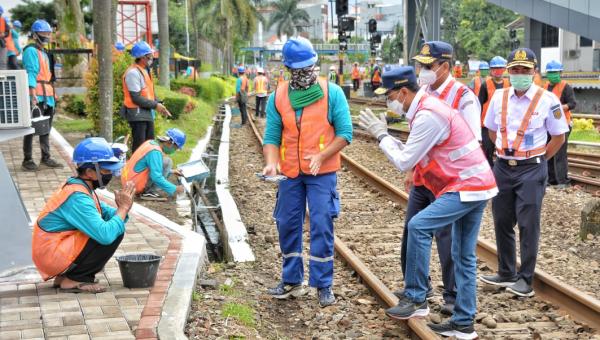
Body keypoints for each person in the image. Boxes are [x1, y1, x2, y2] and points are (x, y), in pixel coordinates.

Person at [359, 65, 497, 339]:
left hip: (466, 185)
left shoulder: (428, 115)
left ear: (403, 92)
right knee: (463, 255)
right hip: (474, 184)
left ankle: (416, 297)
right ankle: (464, 322)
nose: (388, 101)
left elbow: (404, 161)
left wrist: (382, 135)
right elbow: (413, 153)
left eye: (389, 95)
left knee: (419, 226)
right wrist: (386, 136)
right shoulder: (425, 109)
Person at [262, 37, 352, 307]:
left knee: (322, 224)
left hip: (322, 173)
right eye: (298, 70)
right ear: (289, 70)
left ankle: (323, 284)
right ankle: (292, 281)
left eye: (308, 67)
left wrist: (322, 155)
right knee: (287, 223)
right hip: (290, 173)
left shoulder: (332, 93)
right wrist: (270, 162)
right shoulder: (277, 97)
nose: (304, 74)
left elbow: (346, 134)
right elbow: (272, 136)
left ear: (315, 64)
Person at [398, 40, 482, 315]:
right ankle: (416, 288)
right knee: (412, 229)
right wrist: (412, 168)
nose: (421, 70)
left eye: (427, 65)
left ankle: (453, 294)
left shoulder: (463, 97)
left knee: (448, 238)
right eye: (420, 65)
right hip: (425, 177)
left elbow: (469, 142)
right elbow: (417, 135)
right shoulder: (423, 93)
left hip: (450, 181)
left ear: (445, 66)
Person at [480, 48, 568, 297]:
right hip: (503, 167)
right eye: (515, 70)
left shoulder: (548, 100)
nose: (519, 74)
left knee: (529, 225)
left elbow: (559, 137)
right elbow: (491, 130)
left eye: (525, 70)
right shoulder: (499, 97)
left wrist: (539, 160)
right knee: (501, 220)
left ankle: (525, 279)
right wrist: (506, 153)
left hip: (532, 168)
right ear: (508, 72)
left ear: (534, 72)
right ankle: (506, 271)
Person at [32, 137, 134, 293]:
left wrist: (122, 208)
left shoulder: (82, 188)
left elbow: (111, 215)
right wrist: (123, 209)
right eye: (106, 170)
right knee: (112, 232)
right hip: (50, 257)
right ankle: (75, 279)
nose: (111, 174)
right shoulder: (77, 197)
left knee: (112, 225)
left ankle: (65, 276)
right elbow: (106, 235)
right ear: (90, 172)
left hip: (51, 253)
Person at [21, 19, 63, 171]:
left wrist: (53, 95)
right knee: (31, 129)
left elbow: (48, 76)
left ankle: (46, 157)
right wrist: (32, 95)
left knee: (45, 128)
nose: (47, 36)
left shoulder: (43, 52)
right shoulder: (30, 51)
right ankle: (27, 159)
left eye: (48, 33)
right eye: (43, 33)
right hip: (37, 95)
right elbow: (30, 74)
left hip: (48, 95)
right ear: (35, 34)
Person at [122, 41, 172, 153]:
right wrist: (155, 105)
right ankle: (135, 169)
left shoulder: (144, 71)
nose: (152, 57)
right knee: (140, 147)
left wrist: (160, 104)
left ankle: (145, 169)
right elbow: (136, 97)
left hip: (145, 113)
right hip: (137, 114)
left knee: (148, 145)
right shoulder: (133, 73)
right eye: (150, 55)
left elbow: (149, 93)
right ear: (142, 57)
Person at [121, 128, 186, 200]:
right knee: (167, 161)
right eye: (175, 148)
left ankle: (148, 191)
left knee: (165, 162)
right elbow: (156, 177)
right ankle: (150, 192)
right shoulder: (155, 152)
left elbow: (148, 165)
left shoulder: (150, 143)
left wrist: (172, 171)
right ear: (170, 143)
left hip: (127, 180)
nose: (175, 150)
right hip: (133, 186)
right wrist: (175, 189)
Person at [544, 60, 576, 188]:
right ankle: (550, 180)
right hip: (547, 125)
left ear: (560, 73)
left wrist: (556, 108)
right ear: (547, 74)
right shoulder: (544, 87)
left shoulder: (566, 86)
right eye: (551, 72)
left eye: (555, 72)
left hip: (563, 124)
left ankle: (562, 181)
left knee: (560, 154)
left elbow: (572, 104)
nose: (553, 74)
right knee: (548, 152)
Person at [478, 56, 510, 166]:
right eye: (495, 69)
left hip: (504, 124)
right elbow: (479, 105)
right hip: (487, 125)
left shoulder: (509, 84)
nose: (498, 71)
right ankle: (489, 175)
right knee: (487, 151)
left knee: (505, 150)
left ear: (504, 69)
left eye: (500, 68)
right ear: (491, 70)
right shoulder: (485, 85)